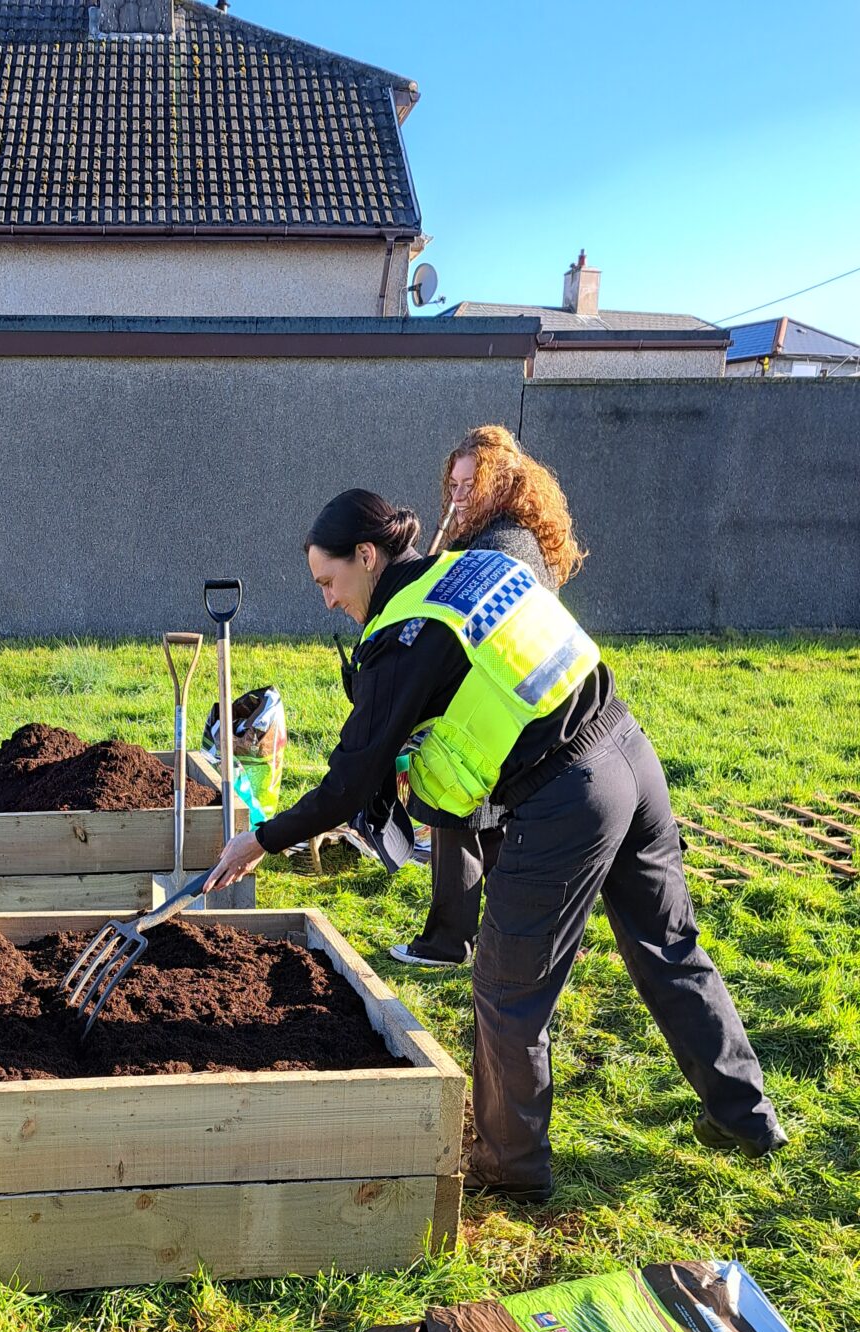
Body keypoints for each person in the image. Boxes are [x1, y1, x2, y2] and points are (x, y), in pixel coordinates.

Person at [206, 489, 785, 1204]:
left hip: (567, 795)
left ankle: (509, 1170)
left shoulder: (406, 635)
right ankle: (747, 1118)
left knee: (508, 992)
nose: (326, 601)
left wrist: (259, 840)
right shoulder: (471, 570)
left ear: (366, 556)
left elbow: (347, 784)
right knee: (668, 945)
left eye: (328, 582)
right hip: (630, 751)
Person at [390, 425, 586, 971]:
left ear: (500, 483)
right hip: (515, 702)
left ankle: (447, 943)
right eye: (452, 484)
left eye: (468, 484)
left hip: (498, 701)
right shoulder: (499, 533)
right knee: (491, 821)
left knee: (455, 812)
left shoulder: (505, 544)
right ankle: (494, 941)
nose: (456, 496)